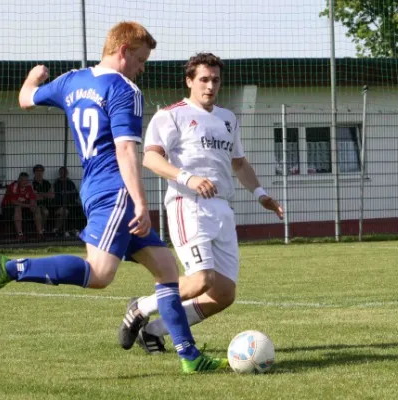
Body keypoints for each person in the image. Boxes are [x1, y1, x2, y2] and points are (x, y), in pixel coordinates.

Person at [0, 21, 226, 374]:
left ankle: (190, 357)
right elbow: (126, 149)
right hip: (116, 191)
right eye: (140, 60)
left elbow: (25, 99)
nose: (141, 69)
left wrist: (34, 77)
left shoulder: (71, 81)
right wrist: (140, 203)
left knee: (168, 271)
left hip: (94, 187)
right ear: (123, 51)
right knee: (99, 274)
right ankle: (10, 268)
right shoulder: (124, 89)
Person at [118, 53, 284, 353]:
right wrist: (188, 178)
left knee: (223, 294)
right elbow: (151, 158)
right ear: (190, 81)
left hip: (222, 209)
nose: (210, 86)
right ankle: (141, 307)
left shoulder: (227, 119)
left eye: (215, 80)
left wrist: (261, 194)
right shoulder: (171, 116)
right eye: (204, 79)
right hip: (188, 204)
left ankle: (154, 331)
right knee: (199, 280)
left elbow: (239, 163)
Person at [1, 172, 44, 241]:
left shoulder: (29, 186)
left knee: (37, 208)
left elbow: (32, 198)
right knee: (17, 208)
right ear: (19, 180)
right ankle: (20, 235)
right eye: (23, 180)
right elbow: (13, 201)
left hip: (24, 206)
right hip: (8, 207)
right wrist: (28, 205)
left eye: (26, 180)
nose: (25, 182)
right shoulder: (13, 186)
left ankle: (40, 233)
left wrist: (33, 205)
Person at [53, 166, 82, 237]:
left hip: (71, 203)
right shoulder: (57, 183)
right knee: (67, 211)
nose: (63, 174)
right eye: (61, 172)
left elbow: (75, 194)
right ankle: (66, 230)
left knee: (80, 209)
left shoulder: (70, 182)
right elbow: (57, 197)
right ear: (59, 173)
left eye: (65, 172)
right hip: (61, 204)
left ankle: (75, 229)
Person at [31, 164, 57, 234]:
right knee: (45, 212)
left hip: (48, 203)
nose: (39, 173)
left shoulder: (47, 182)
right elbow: (35, 196)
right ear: (34, 172)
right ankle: (41, 231)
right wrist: (46, 194)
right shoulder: (31, 183)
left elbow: (52, 195)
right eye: (37, 171)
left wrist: (40, 193)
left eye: (41, 171)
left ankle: (42, 230)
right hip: (37, 204)